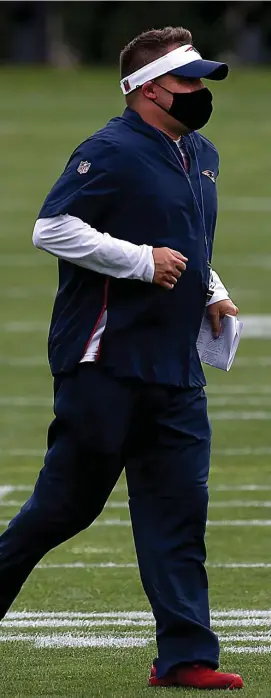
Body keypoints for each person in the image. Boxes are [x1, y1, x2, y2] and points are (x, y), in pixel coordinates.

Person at [0, 26, 243, 690]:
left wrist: (212, 289)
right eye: (186, 80)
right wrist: (140, 263)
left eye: (201, 80)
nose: (198, 92)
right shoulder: (107, 151)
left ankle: (186, 657)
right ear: (146, 89)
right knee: (61, 510)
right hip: (103, 365)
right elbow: (51, 227)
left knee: (177, 514)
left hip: (174, 369)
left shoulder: (201, 153)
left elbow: (185, 239)